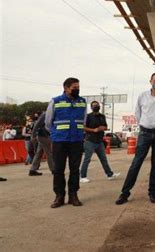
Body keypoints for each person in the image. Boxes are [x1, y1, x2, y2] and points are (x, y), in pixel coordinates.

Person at [116, 72, 155, 205]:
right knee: (136, 163)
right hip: (145, 134)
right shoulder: (142, 96)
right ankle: (125, 193)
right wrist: (146, 124)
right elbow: (137, 114)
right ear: (150, 81)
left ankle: (152, 192)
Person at [45, 77, 87, 208]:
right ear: (66, 88)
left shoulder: (82, 102)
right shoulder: (55, 101)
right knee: (58, 169)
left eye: (78, 87)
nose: (77, 89)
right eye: (74, 87)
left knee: (75, 170)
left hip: (77, 140)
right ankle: (59, 196)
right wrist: (55, 134)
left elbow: (84, 121)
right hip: (60, 141)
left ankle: (73, 195)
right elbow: (48, 122)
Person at [80, 101, 120, 183]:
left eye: (97, 105)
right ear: (91, 107)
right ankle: (83, 176)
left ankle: (110, 174)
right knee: (87, 159)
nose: (96, 106)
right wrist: (94, 130)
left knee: (103, 159)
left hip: (99, 141)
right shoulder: (88, 116)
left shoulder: (102, 116)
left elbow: (105, 126)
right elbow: (83, 127)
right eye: (94, 105)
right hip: (90, 140)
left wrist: (103, 128)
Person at [29, 111, 55, 176]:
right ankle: (53, 169)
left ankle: (33, 169)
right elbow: (37, 124)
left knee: (39, 153)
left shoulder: (48, 113)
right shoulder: (46, 114)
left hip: (44, 135)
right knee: (49, 153)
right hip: (44, 135)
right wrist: (33, 135)